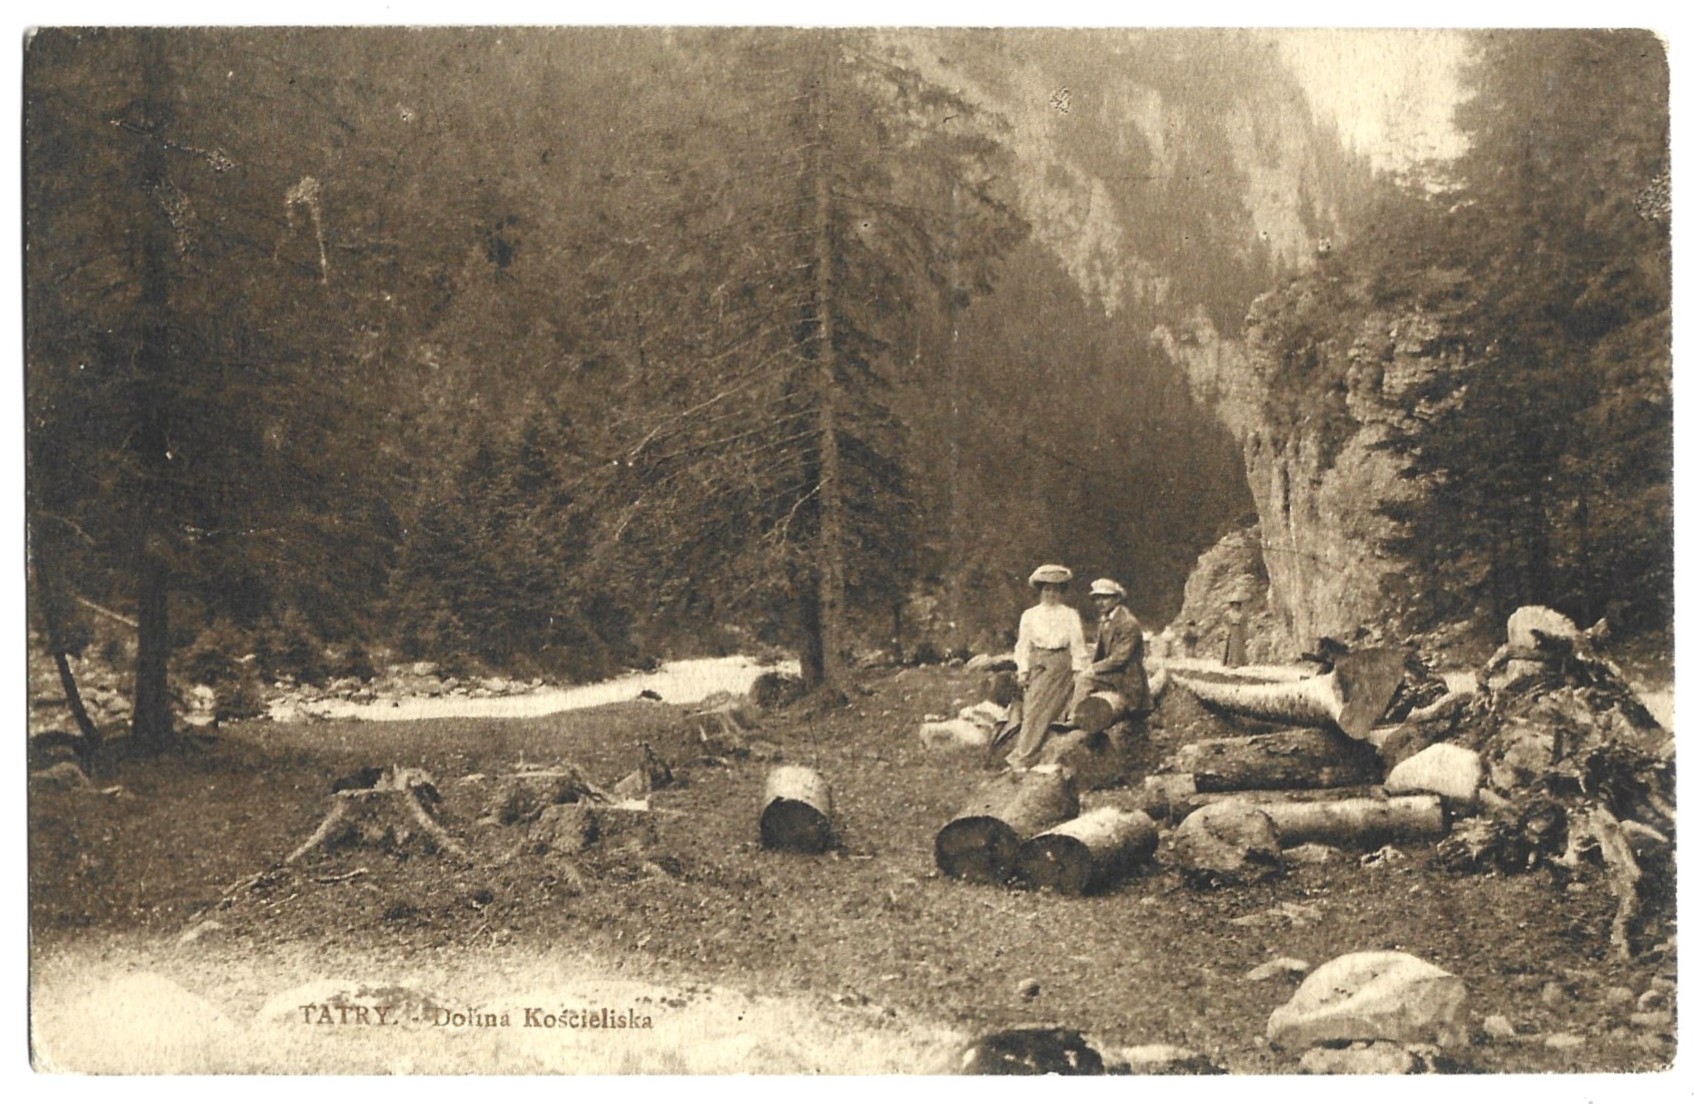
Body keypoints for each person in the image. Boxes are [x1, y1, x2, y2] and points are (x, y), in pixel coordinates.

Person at [1006, 564, 1088, 769]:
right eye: (1047, 589)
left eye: (1056, 590)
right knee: (1033, 708)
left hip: (1062, 667)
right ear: (1041, 591)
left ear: (1062, 592)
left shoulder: (1070, 615)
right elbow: (1023, 645)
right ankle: (1024, 755)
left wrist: (1078, 671)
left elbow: (1077, 645)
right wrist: (1023, 670)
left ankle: (1031, 755)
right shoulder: (1030, 615)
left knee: (1053, 711)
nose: (1051, 594)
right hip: (1039, 665)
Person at [1072, 578, 1151, 716]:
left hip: (1128, 681)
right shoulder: (1105, 621)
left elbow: (1120, 659)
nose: (1100, 603)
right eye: (1096, 599)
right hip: (1115, 676)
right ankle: (1071, 716)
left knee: (1085, 680)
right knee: (1077, 677)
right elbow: (1100, 655)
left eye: (1105, 598)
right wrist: (1087, 667)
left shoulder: (1128, 623)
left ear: (1117, 599)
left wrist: (1093, 669)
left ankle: (1075, 718)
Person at [1222, 596, 1248, 668]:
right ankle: (1230, 661)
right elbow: (1225, 622)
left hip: (1239, 629)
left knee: (1239, 645)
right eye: (1235, 604)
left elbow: (1244, 623)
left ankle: (1239, 661)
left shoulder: (1242, 614)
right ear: (1232, 605)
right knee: (1231, 645)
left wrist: (1244, 631)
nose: (1237, 606)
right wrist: (1226, 630)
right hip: (1231, 629)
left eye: (1238, 604)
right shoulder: (1228, 614)